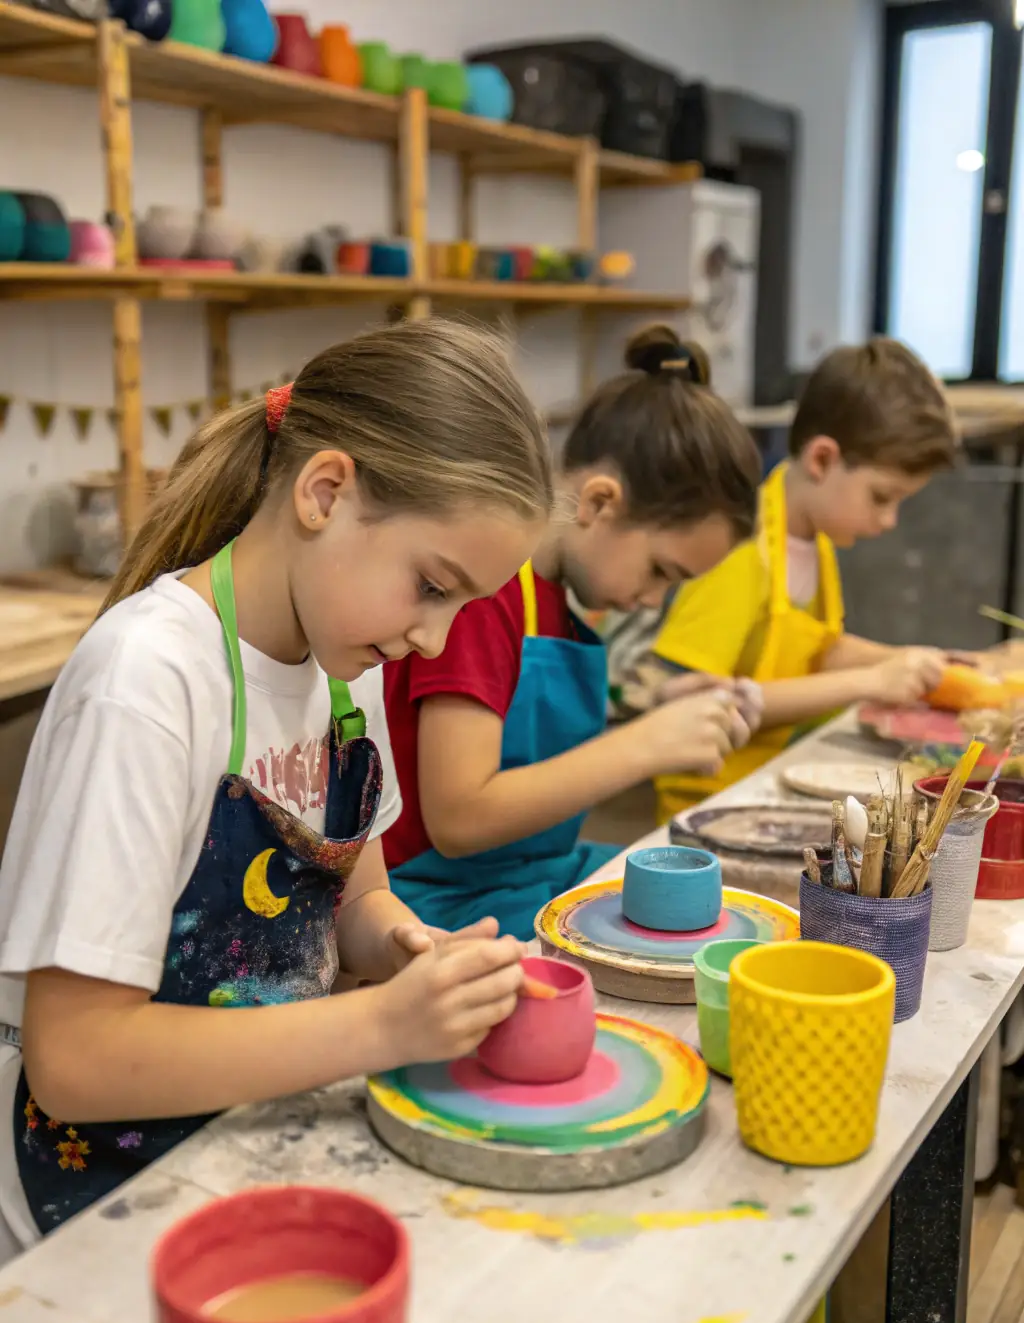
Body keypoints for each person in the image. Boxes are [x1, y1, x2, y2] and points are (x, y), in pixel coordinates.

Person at [0, 318, 553, 1256]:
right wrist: (380, 1023)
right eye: (431, 586)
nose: (436, 640)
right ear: (324, 491)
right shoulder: (148, 681)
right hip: (98, 1190)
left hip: (245, 1131)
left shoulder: (347, 672)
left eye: (466, 607)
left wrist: (405, 949)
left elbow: (358, 895)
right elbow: (76, 1060)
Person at [383, 325, 765, 939]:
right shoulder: (487, 592)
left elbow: (525, 745)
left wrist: (650, 710)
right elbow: (460, 816)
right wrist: (643, 745)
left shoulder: (552, 600)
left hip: (520, 875)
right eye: (660, 572)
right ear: (599, 502)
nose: (652, 600)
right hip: (436, 903)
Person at [643, 337, 961, 820]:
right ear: (821, 460)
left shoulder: (815, 539)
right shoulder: (742, 550)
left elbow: (820, 648)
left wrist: (920, 665)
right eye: (881, 497)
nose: (890, 520)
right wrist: (872, 679)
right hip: (709, 803)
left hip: (771, 779)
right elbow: (700, 700)